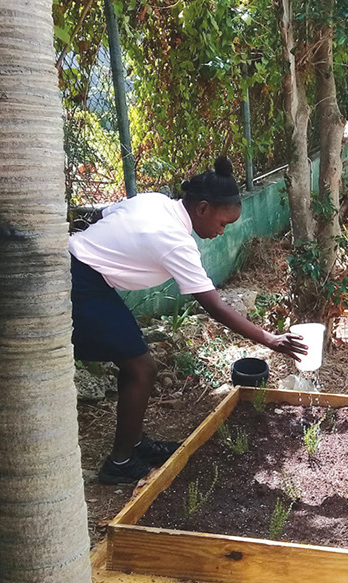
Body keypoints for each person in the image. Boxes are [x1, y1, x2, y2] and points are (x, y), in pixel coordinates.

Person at [69, 157, 306, 485]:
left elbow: (101, 214)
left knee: (135, 363)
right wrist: (270, 339)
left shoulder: (156, 201)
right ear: (203, 208)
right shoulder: (176, 242)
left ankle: (135, 445)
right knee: (141, 368)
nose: (221, 233)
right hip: (79, 284)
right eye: (223, 224)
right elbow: (216, 307)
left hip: (78, 269)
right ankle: (120, 464)